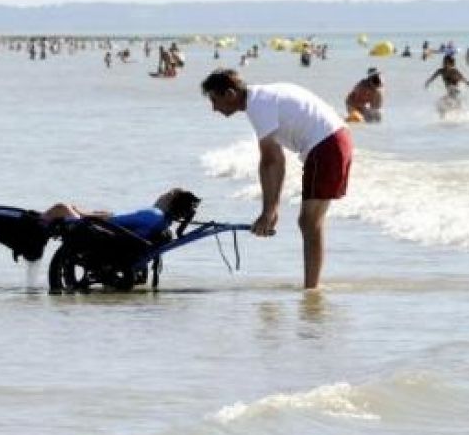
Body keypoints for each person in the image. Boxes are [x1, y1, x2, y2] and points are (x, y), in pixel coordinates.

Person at [201, 69, 353, 290]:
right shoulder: (262, 97)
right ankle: (311, 288)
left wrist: (268, 213)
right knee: (311, 222)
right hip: (335, 140)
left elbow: (270, 161)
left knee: (309, 222)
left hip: (327, 145)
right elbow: (277, 161)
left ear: (230, 94)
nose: (214, 108)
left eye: (215, 100)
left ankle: (311, 289)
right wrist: (272, 209)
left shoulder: (258, 105)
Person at [41, 188, 200, 239]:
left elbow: (112, 220)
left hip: (100, 230)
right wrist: (184, 225)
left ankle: (39, 224)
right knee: (92, 209)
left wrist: (83, 215)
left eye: (167, 195)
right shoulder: (164, 222)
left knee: (62, 206)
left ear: (170, 202)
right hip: (117, 231)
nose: (163, 195)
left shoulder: (154, 214)